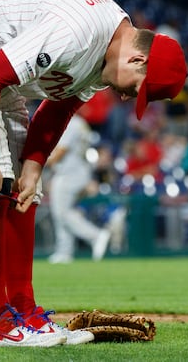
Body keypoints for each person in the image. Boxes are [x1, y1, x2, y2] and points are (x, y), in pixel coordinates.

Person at [0, 0, 187, 348]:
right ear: (137, 58)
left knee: (26, 188)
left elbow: (61, 105)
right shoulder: (79, 32)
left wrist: (35, 163)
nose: (127, 98)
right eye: (136, 90)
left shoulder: (108, 54)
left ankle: (24, 313)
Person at [46, 113, 111, 264]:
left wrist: (38, 163)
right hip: (77, 171)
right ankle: (64, 252)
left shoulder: (71, 123)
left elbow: (61, 151)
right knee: (63, 211)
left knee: (62, 213)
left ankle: (95, 235)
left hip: (69, 173)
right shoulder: (80, 122)